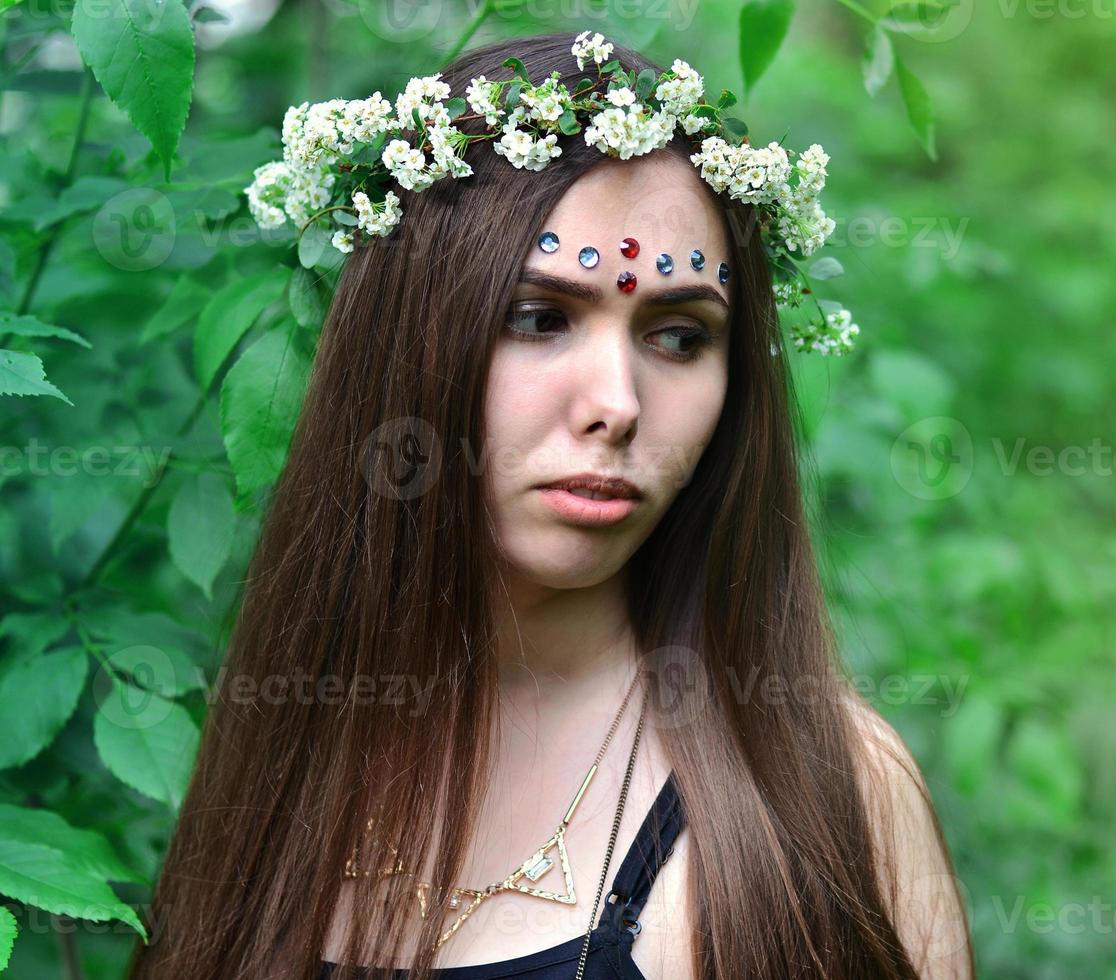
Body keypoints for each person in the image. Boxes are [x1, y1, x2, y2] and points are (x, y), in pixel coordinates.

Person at [127, 32, 972, 980]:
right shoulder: (287, 751)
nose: (616, 403)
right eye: (539, 318)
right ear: (406, 339)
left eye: (680, 335)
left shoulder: (824, 799)